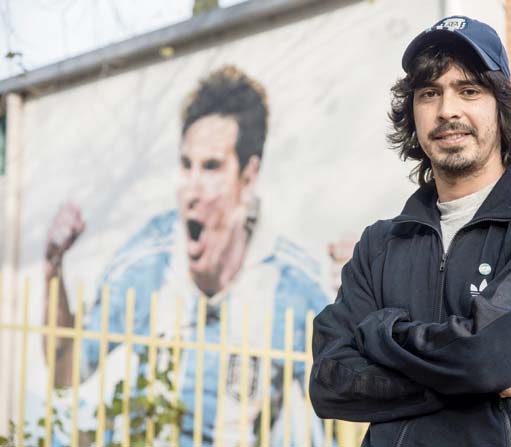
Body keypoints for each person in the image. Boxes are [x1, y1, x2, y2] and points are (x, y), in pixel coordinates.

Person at [309, 15, 511, 446]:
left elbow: (488, 357)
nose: (448, 110)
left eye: (469, 90)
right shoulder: (380, 244)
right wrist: (456, 376)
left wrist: (380, 333)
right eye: (430, 93)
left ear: (501, 106)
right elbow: (329, 383)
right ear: (413, 112)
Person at [44, 65, 330, 446]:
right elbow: (65, 370)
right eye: (186, 164)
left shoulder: (293, 284)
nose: (191, 190)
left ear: (248, 175)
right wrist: (53, 267)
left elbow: (343, 418)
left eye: (211, 167)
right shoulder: (150, 261)